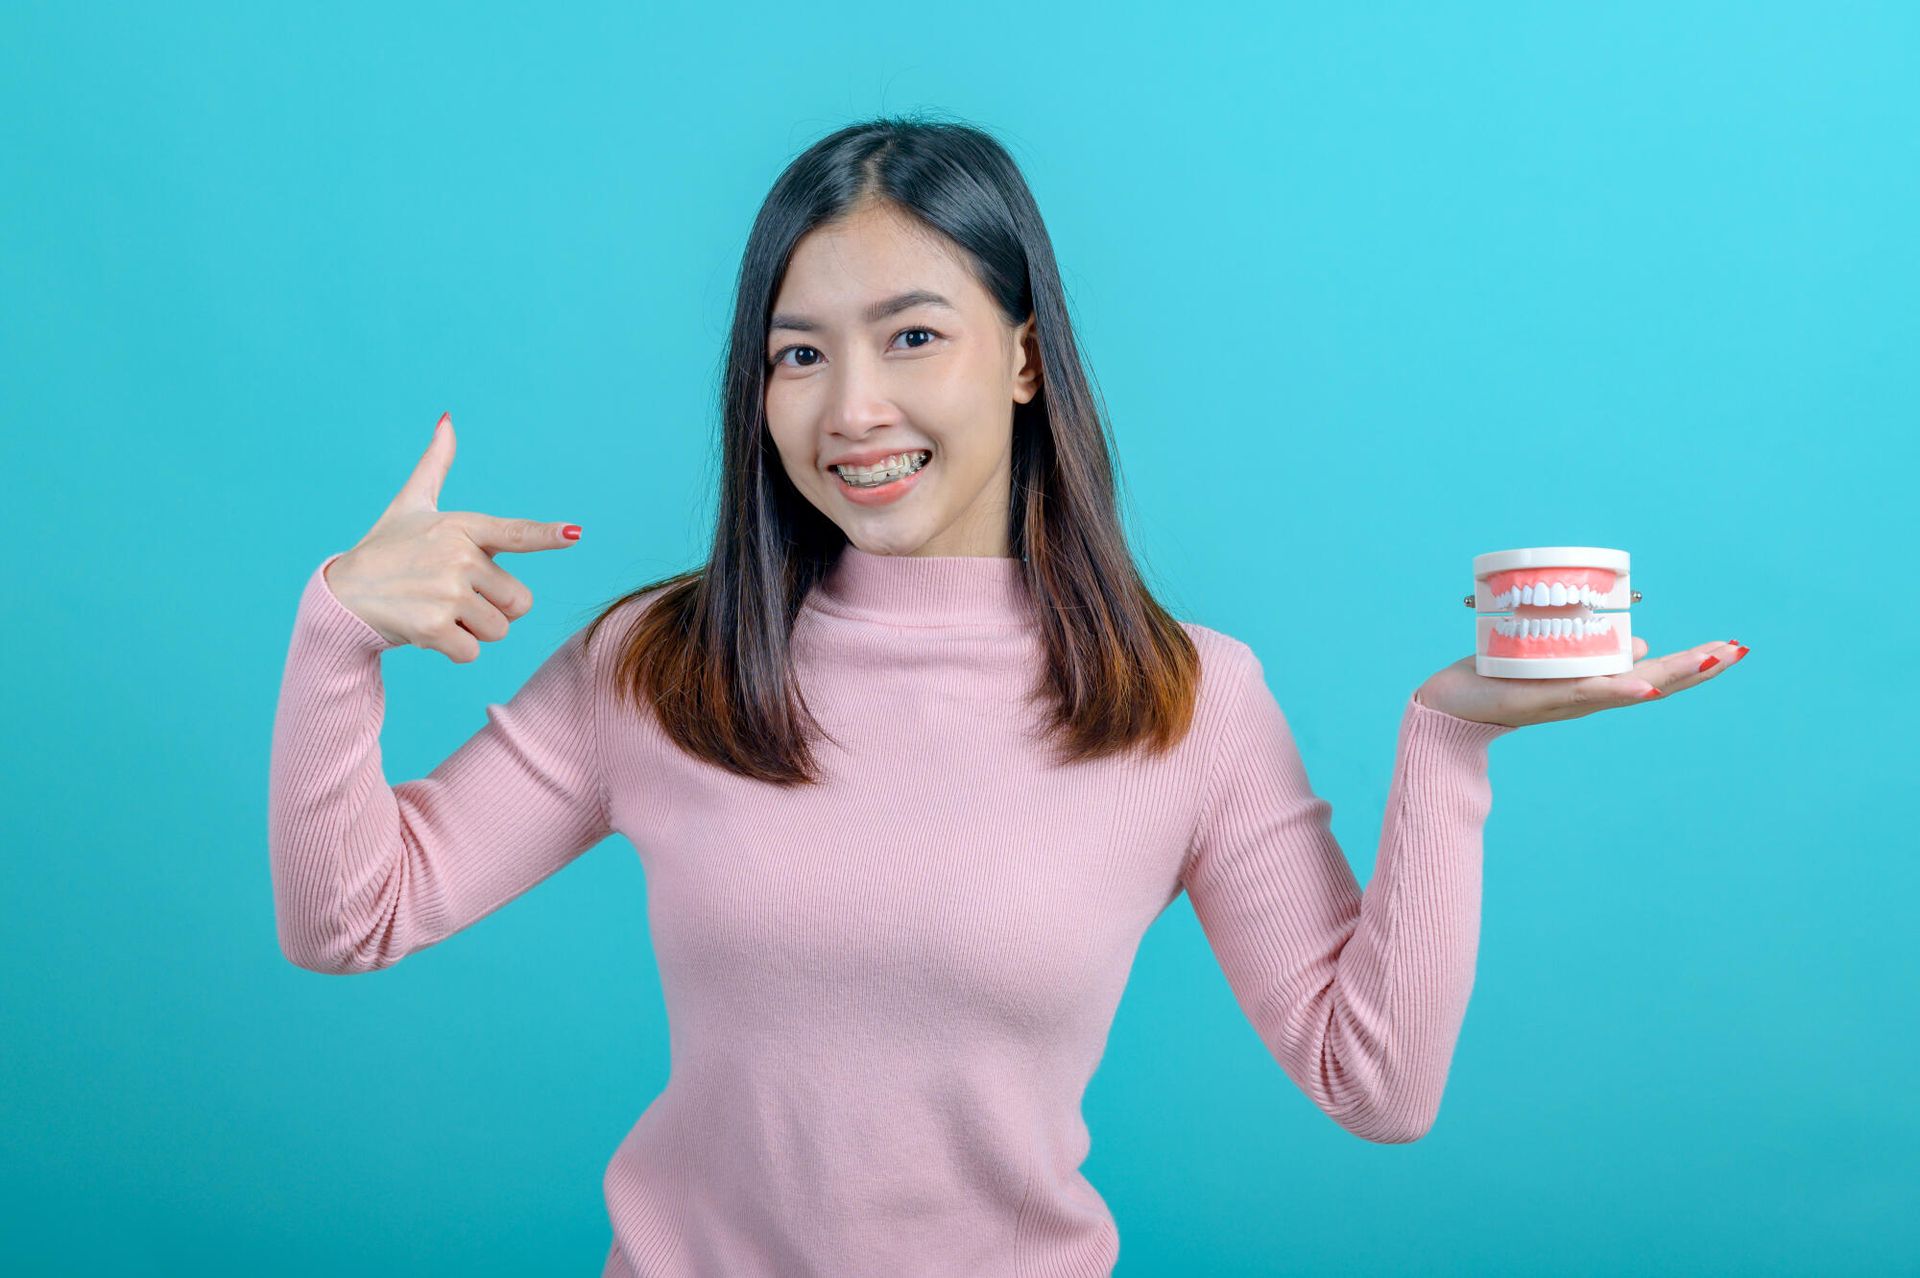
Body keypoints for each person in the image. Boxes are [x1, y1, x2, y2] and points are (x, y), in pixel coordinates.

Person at [268, 115, 1748, 1278]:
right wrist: (337, 627)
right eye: (800, 354)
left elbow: (1377, 1084)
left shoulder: (1186, 699)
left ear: (1027, 358)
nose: (852, 408)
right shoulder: (664, 660)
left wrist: (1451, 743)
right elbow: (351, 916)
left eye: (914, 335)